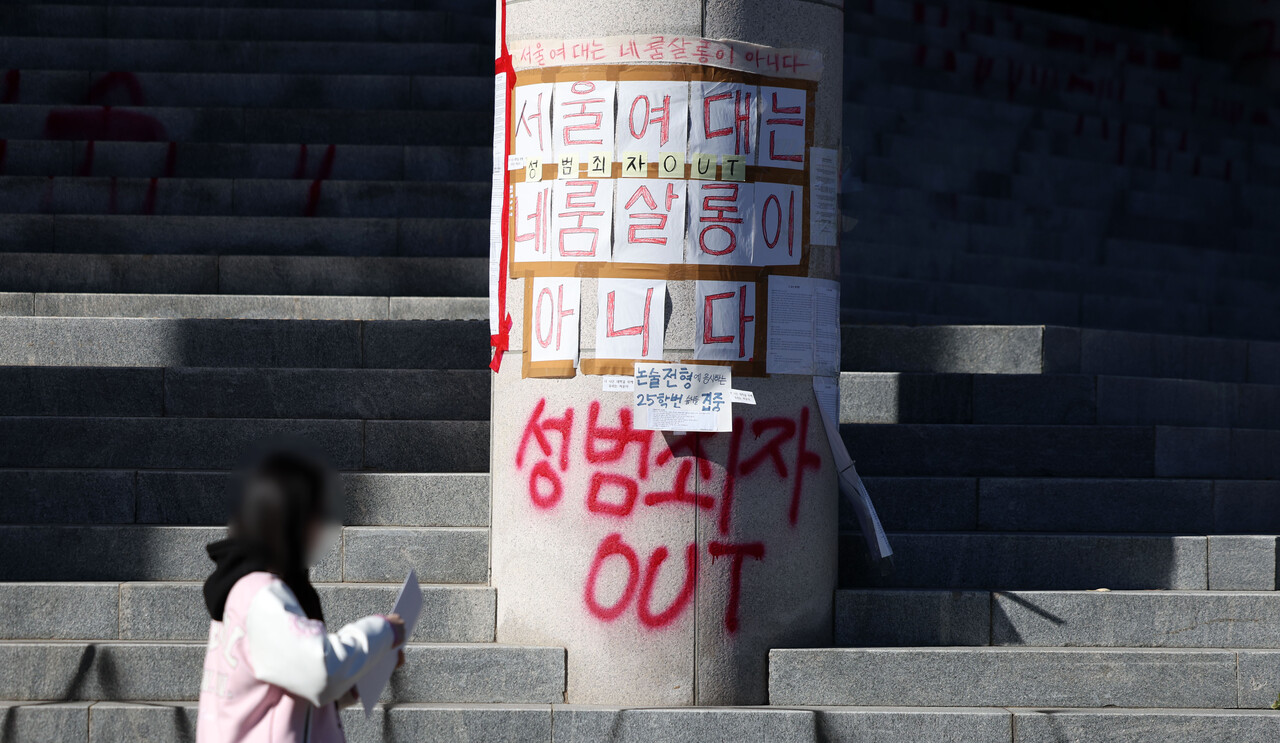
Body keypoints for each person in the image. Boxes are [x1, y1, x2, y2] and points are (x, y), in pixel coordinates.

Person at [196, 449, 406, 743]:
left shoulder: (249, 589)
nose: (321, 529)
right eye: (317, 515)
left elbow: (288, 688)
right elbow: (320, 671)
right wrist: (384, 630)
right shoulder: (261, 595)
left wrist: (355, 681)